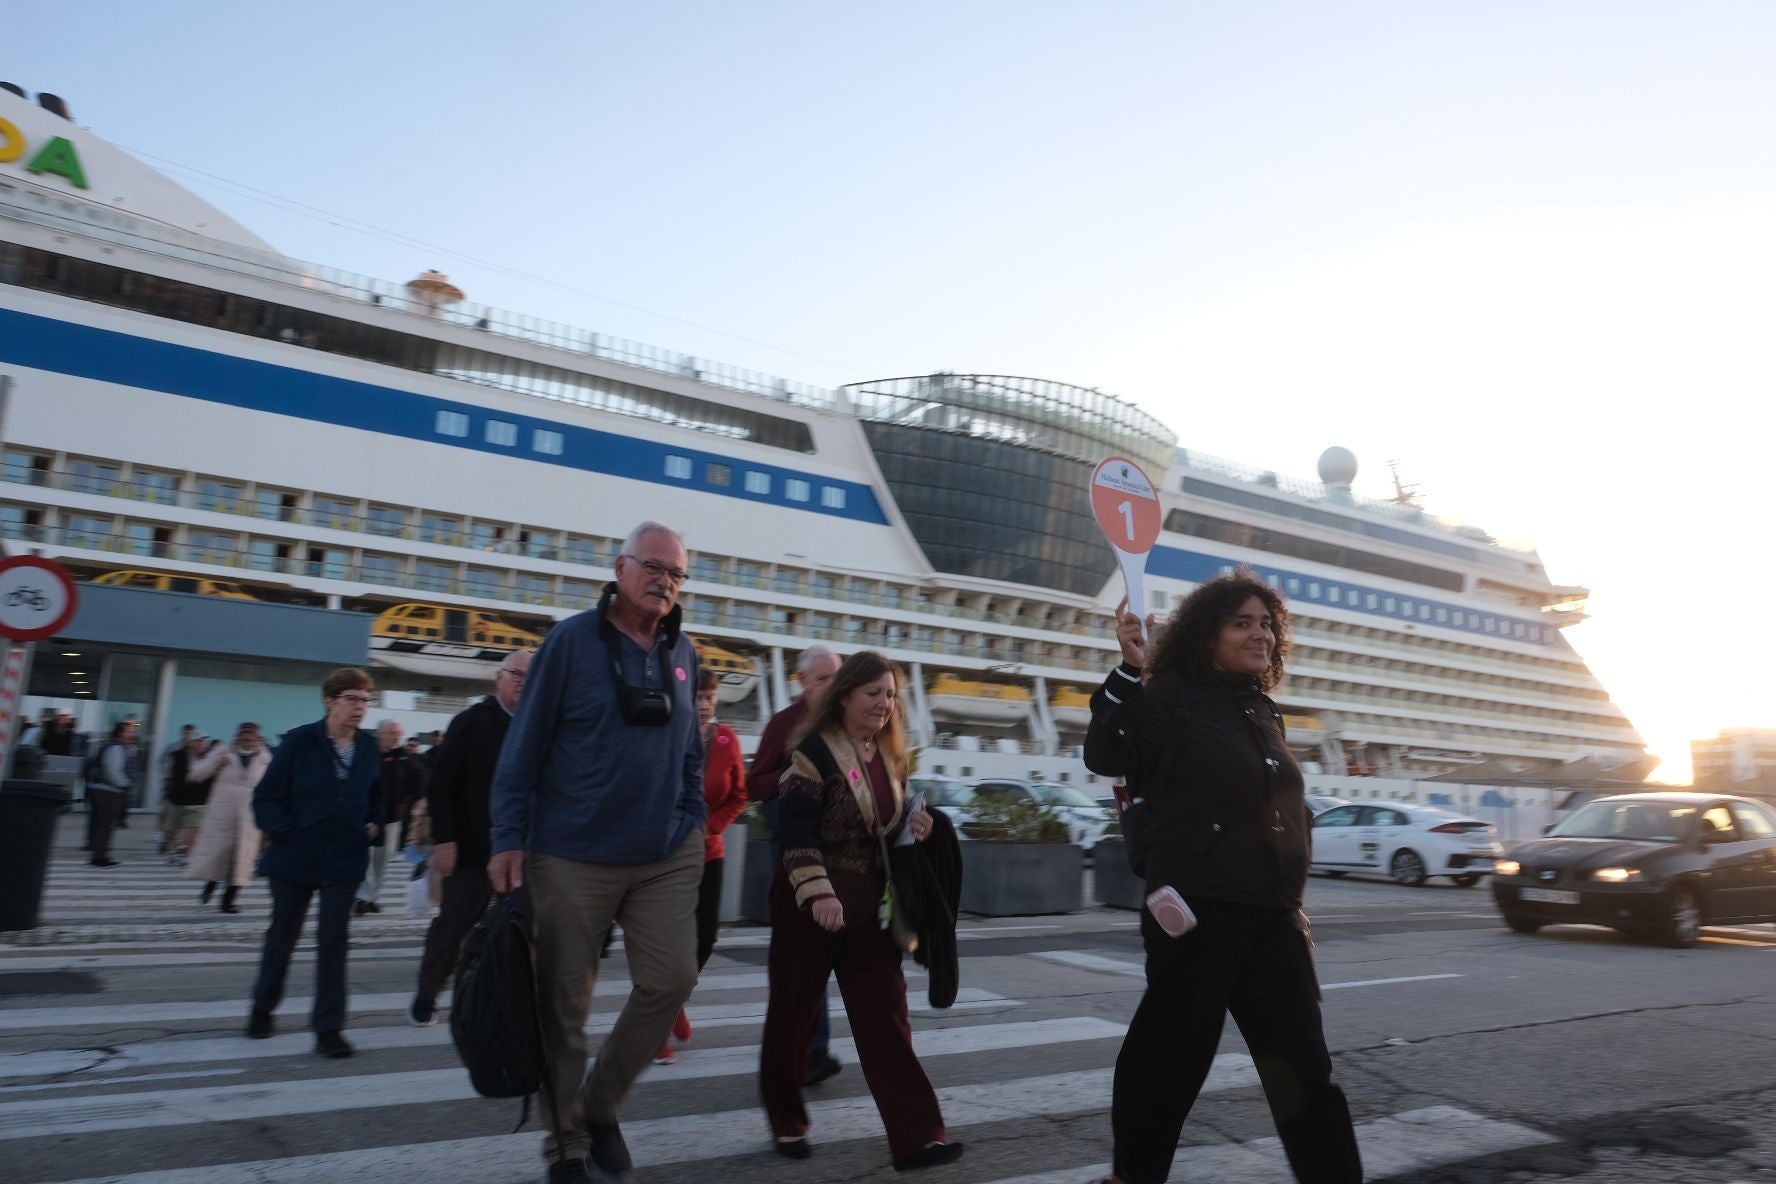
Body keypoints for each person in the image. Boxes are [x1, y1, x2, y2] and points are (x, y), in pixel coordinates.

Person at [1082, 573, 1362, 1184]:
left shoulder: (1262, 710)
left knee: (1305, 1071)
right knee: (1168, 1066)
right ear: (1206, 636)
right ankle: (1132, 1176)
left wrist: (1292, 891)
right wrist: (1132, 670)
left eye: (1266, 624)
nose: (1260, 633)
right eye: (1243, 622)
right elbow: (1106, 752)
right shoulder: (1171, 696)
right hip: (1199, 914)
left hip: (1273, 918)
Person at [489, 521, 706, 1184]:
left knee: (672, 979)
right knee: (565, 1010)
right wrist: (508, 836)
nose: (664, 581)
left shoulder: (684, 652)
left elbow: (691, 751)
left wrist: (690, 816)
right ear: (620, 568)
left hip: (663, 850)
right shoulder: (572, 642)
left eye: (676, 574)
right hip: (572, 853)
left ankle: (601, 1102)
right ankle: (566, 1147)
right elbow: (524, 743)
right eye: (653, 567)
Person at [758, 651, 963, 1171]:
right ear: (845, 695)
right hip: (810, 901)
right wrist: (820, 892)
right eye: (873, 692)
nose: (884, 703)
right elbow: (795, 831)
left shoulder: (889, 754)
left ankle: (918, 1138)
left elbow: (884, 826)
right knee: (794, 1012)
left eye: (890, 694)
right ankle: (787, 1121)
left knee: (886, 1016)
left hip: (871, 904)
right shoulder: (811, 751)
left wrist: (921, 825)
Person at [247, 667, 384, 1059]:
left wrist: (373, 822)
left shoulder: (369, 747)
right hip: (296, 857)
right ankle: (262, 1008)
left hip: (345, 857)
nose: (360, 708)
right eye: (352, 699)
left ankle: (328, 1028)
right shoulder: (300, 742)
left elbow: (377, 795)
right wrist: (286, 830)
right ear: (330, 701)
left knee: (334, 941)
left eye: (364, 700)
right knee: (283, 936)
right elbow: (266, 797)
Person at [409, 648, 533, 1027]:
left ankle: (500, 1003)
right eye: (516, 675)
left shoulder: (539, 725)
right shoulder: (471, 721)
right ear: (499, 677)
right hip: (471, 850)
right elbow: (441, 784)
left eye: (530, 678)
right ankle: (428, 993)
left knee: (520, 932)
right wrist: (444, 840)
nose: (522, 683)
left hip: (522, 854)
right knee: (454, 927)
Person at [747, 644, 845, 1086]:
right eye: (822, 678)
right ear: (802, 681)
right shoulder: (784, 723)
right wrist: (791, 778)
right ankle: (807, 1051)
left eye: (835, 677)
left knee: (823, 950)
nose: (830, 686)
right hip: (794, 850)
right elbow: (755, 783)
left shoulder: (846, 722)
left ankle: (813, 1049)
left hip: (839, 852)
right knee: (800, 950)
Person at [656, 667, 751, 1066]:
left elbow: (740, 795)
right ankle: (657, 1025)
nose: (703, 703)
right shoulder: (667, 733)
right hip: (670, 855)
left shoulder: (728, 740)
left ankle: (676, 1001)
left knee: (706, 938)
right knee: (667, 944)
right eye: (697, 696)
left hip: (710, 852)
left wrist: (711, 826)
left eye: (709, 697)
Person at [184, 723, 272, 913]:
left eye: (252, 738)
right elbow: (196, 773)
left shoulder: (265, 758)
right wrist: (216, 763)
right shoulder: (223, 752)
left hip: (249, 815)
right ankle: (210, 886)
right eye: (245, 737)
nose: (248, 741)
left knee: (241, 861)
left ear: (257, 738)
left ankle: (229, 901)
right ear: (238, 737)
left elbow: (273, 785)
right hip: (222, 813)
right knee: (219, 854)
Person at [358, 719, 425, 916]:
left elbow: (420, 778)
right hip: (365, 816)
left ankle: (370, 897)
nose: (397, 737)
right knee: (363, 858)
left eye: (399, 733)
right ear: (381, 734)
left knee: (382, 860)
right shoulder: (367, 753)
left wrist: (418, 798)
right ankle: (362, 895)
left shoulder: (405, 758)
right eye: (392, 733)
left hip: (391, 818)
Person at [86, 720, 139, 867]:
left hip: (105, 790)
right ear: (121, 733)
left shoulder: (119, 747)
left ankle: (99, 853)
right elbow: (113, 770)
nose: (132, 734)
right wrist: (125, 784)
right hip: (108, 792)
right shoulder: (116, 748)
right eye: (129, 731)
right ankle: (99, 857)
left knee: (103, 825)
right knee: (105, 826)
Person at [163, 731, 214, 864]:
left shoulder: (208, 757)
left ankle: (189, 855)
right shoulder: (177, 756)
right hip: (178, 798)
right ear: (191, 743)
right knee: (173, 828)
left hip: (198, 798)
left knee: (194, 828)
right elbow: (168, 774)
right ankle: (174, 850)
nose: (201, 744)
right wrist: (170, 791)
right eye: (198, 741)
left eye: (203, 741)